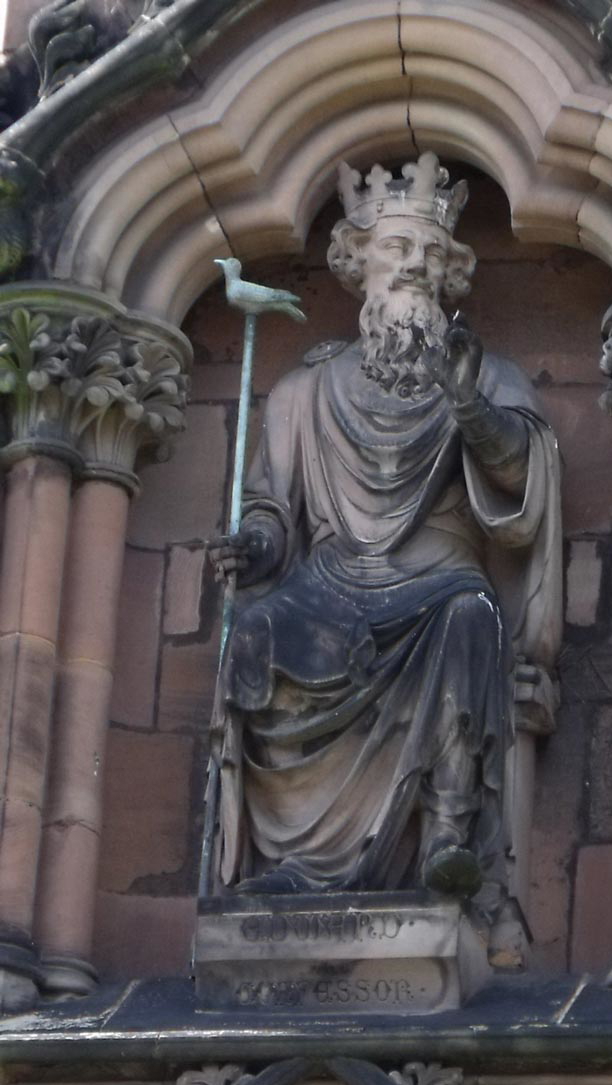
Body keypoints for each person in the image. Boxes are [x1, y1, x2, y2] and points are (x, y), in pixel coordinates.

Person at [207, 152, 561, 920]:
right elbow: (272, 508)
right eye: (398, 247)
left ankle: (447, 838)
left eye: (433, 252)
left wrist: (468, 406)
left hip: (440, 577)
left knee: (468, 618)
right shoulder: (304, 392)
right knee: (256, 633)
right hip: (328, 584)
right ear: (357, 262)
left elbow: (521, 473)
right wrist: (255, 546)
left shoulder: (487, 376)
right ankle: (295, 863)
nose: (417, 265)